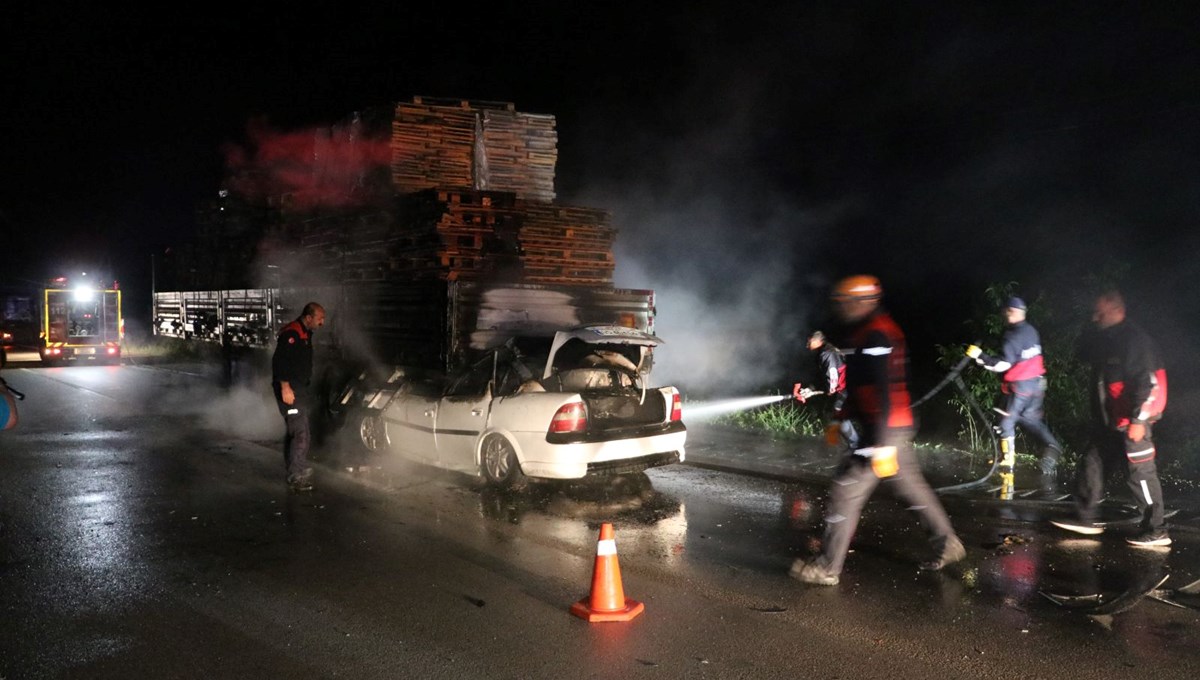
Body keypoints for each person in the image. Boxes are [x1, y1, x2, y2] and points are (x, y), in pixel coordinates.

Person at [791, 275, 965, 586]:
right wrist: (839, 417)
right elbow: (858, 386)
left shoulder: (877, 334)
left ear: (862, 302)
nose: (842, 309)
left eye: (846, 303)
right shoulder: (862, 334)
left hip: (886, 428)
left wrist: (882, 443)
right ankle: (947, 543)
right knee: (911, 487)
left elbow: (885, 389)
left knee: (845, 490)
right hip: (889, 427)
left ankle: (828, 568)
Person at [1052, 290, 1170, 547]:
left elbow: (1148, 382)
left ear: (1117, 310)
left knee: (1140, 473)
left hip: (1133, 422)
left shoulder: (1135, 340)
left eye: (1100, 313)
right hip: (1112, 422)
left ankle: (1157, 529)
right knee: (1092, 463)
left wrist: (1139, 421)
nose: (1095, 317)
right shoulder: (1109, 340)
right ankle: (1083, 517)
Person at [966, 296, 1064, 497]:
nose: (1005, 315)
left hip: (1020, 387)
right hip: (1037, 385)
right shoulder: (1031, 331)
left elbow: (1003, 364)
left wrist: (979, 357)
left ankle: (1007, 466)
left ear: (1011, 312)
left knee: (1006, 423)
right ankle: (1052, 445)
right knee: (1030, 419)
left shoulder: (1013, 335)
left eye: (1007, 311)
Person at [271, 302, 326, 492]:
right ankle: (296, 475)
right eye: (320, 318)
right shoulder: (292, 334)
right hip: (290, 390)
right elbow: (279, 362)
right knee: (300, 433)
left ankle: (297, 466)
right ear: (309, 317)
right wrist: (285, 387)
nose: (322, 322)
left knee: (299, 431)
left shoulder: (305, 333)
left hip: (299, 390)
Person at [794, 330, 858, 450]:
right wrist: (810, 389)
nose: (806, 345)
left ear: (818, 340)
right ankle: (852, 445)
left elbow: (832, 385)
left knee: (839, 415)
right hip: (843, 388)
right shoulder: (823, 352)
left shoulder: (827, 354)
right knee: (837, 416)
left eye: (809, 341)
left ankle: (855, 445)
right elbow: (821, 377)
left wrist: (813, 392)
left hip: (843, 389)